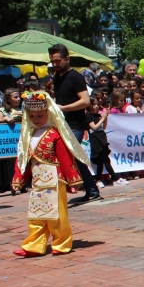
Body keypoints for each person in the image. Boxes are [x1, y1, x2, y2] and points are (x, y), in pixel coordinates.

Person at [12, 91, 90, 256]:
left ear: (49, 112)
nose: (36, 119)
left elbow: (65, 159)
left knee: (57, 214)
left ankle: (61, 243)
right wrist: (19, 178)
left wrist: (73, 180)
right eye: (32, 116)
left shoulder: (55, 133)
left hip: (56, 179)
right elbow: (23, 158)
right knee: (36, 214)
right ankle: (34, 245)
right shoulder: (28, 135)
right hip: (37, 180)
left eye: (40, 115)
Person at [49, 43, 99, 202]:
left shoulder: (75, 77)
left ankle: (84, 188)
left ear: (67, 58)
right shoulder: (56, 78)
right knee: (75, 157)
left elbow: (85, 101)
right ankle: (91, 190)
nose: (56, 64)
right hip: (61, 124)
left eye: (58, 61)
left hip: (75, 125)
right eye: (53, 61)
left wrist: (63, 108)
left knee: (70, 155)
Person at [86, 98, 118, 188]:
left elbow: (103, 127)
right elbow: (94, 127)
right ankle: (115, 178)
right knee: (105, 159)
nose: (96, 106)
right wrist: (103, 118)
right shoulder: (88, 116)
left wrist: (105, 117)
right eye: (94, 104)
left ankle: (97, 179)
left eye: (97, 104)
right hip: (95, 139)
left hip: (102, 138)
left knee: (101, 160)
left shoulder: (98, 115)